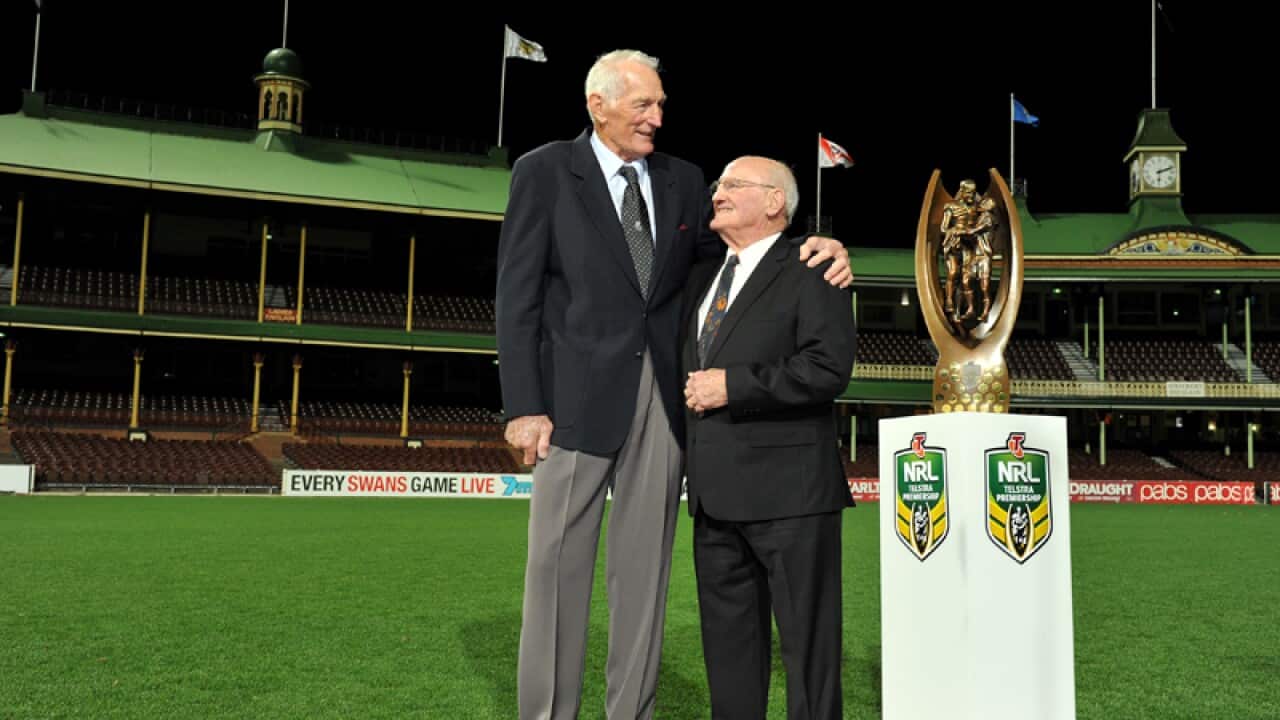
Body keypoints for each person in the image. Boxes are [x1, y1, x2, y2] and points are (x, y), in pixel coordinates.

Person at [495, 50, 852, 720]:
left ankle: (631, 713)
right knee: (555, 573)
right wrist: (525, 405)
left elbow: (747, 262)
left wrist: (820, 247)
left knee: (644, 578)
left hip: (664, 403)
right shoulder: (542, 172)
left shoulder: (684, 181)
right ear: (597, 104)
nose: (657, 118)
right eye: (644, 105)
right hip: (569, 404)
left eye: (661, 105)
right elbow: (516, 297)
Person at [682, 156, 856, 720]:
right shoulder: (705, 274)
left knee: (808, 652)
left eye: (733, 184)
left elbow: (828, 369)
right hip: (714, 497)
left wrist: (732, 386)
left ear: (775, 201)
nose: (719, 193)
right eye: (719, 183)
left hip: (792, 497)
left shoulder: (814, 268)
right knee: (729, 651)